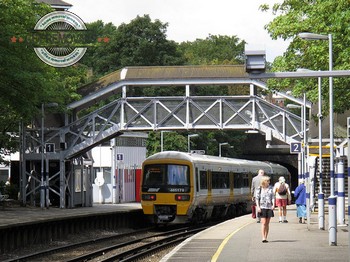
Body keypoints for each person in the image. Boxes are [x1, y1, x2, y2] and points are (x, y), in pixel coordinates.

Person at [256, 175, 275, 243]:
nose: (269, 182)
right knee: (263, 222)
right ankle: (263, 237)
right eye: (267, 181)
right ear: (264, 181)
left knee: (267, 223)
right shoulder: (259, 188)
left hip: (269, 207)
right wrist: (258, 206)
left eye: (269, 181)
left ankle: (266, 237)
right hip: (262, 207)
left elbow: (273, 197)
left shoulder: (271, 188)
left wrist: (273, 205)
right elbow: (257, 198)